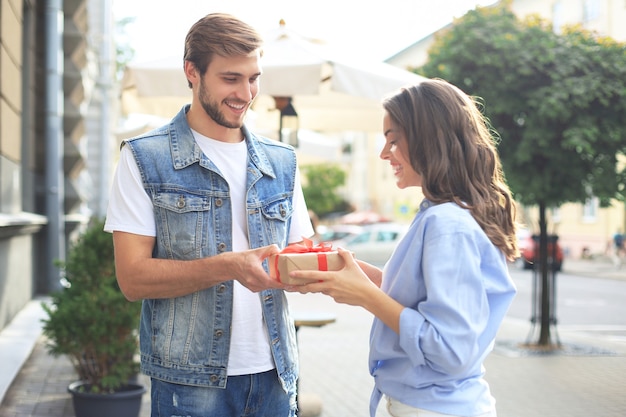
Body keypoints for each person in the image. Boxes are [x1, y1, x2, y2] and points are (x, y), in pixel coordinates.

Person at [104, 13, 313, 417]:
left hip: (275, 376)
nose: (246, 93)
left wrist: (319, 268)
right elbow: (132, 279)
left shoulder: (281, 161)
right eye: (230, 78)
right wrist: (229, 266)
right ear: (192, 72)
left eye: (253, 78)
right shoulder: (145, 158)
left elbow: (297, 252)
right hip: (189, 384)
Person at [289, 79, 518, 417]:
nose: (384, 153)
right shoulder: (444, 214)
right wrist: (351, 271)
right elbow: (423, 302)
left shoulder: (447, 223)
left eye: (393, 141)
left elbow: (451, 350)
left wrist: (365, 296)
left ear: (429, 140)